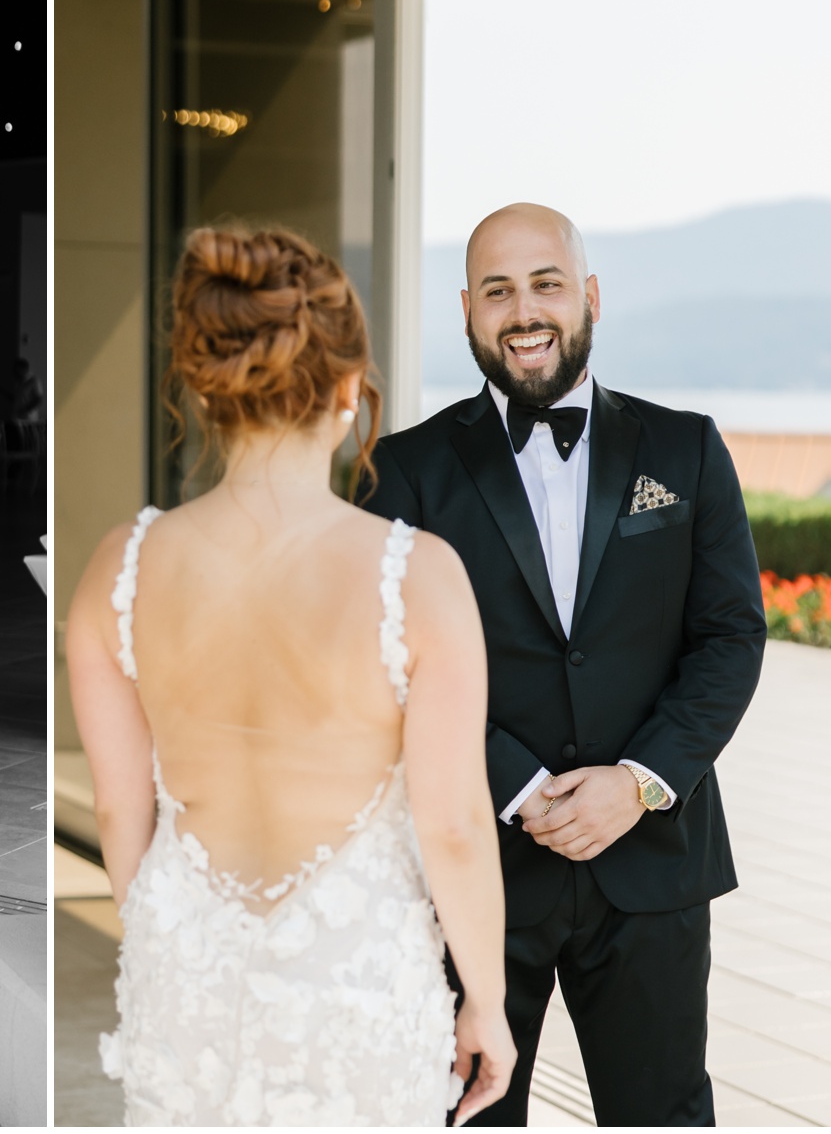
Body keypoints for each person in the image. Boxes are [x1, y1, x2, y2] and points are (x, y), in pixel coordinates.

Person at [65, 227, 515, 1126]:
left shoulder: (121, 566)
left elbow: (119, 810)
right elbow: (457, 825)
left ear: (204, 385)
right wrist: (488, 1004)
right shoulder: (417, 574)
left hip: (185, 965)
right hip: (360, 979)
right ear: (350, 390)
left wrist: (168, 938)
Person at [361, 203, 766, 1125]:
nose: (524, 310)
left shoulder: (687, 449)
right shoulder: (403, 470)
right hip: (478, 864)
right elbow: (387, 657)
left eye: (545, 283)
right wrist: (518, 784)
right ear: (467, 310)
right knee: (461, 1112)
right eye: (498, 291)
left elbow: (731, 636)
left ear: (588, 295)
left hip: (654, 864)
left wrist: (640, 779)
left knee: (663, 1113)